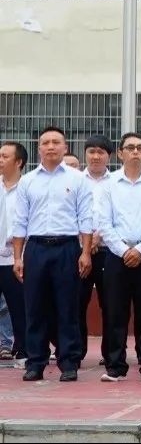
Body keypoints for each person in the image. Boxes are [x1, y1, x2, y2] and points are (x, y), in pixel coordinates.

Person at [13, 126, 93, 382]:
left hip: (67, 248)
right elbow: (20, 221)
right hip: (36, 248)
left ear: (65, 147)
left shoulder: (77, 179)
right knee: (35, 308)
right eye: (45, 142)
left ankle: (68, 362)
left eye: (56, 142)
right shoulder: (28, 181)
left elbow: (86, 218)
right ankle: (35, 362)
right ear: (39, 148)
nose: (50, 146)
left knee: (67, 307)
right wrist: (17, 257)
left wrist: (86, 252)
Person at [99, 132, 141, 383]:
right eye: (130, 147)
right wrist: (123, 249)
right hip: (116, 254)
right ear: (120, 153)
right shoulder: (109, 183)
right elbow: (103, 222)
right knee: (115, 310)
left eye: (140, 148)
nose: (135, 151)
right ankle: (115, 366)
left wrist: (140, 249)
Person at [79, 135, 113, 365]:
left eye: (101, 152)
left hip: (108, 251)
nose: (96, 156)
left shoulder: (116, 182)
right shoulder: (76, 180)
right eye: (91, 151)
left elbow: (119, 215)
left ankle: (111, 354)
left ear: (109, 156)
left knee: (110, 304)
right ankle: (76, 352)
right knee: (76, 303)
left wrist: (98, 236)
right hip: (79, 251)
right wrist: (86, 241)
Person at [0, 141, 28, 368]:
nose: (0, 160)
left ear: (18, 162)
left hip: (17, 258)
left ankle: (23, 350)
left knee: (20, 307)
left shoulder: (28, 188)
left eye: (5, 156)